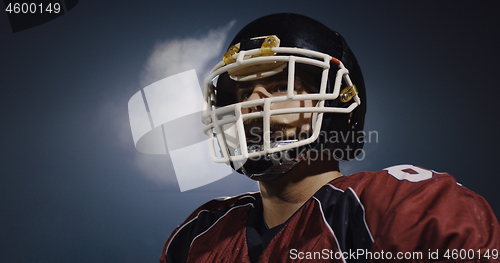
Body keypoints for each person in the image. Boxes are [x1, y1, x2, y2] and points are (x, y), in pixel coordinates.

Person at [160, 13, 500, 262]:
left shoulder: (400, 207)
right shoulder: (199, 235)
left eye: (280, 86)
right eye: (244, 93)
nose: (252, 103)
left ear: (338, 102)